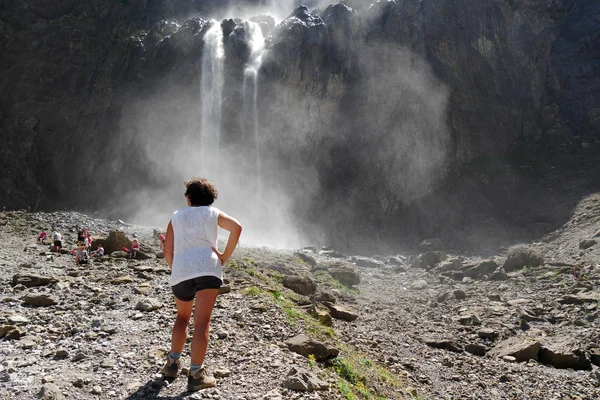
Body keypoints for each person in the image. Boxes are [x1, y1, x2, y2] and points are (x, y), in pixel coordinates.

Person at [161, 178, 242, 392]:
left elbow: (167, 250)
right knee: (202, 321)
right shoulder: (213, 213)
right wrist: (224, 256)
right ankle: (195, 374)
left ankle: (171, 364)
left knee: (182, 317)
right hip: (208, 268)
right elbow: (237, 228)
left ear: (189, 197)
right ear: (210, 199)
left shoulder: (176, 217)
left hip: (181, 271)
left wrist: (176, 268)